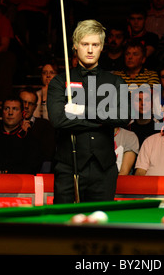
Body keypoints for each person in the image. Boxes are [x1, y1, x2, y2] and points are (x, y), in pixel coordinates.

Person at [47, 19, 130, 203]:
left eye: (95, 44)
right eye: (85, 44)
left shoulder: (116, 82)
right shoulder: (60, 82)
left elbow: (124, 116)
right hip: (68, 168)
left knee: (99, 227)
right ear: (75, 46)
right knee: (65, 226)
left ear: (102, 47)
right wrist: (102, 117)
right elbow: (58, 120)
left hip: (104, 170)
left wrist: (80, 110)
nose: (90, 50)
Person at [19, 87, 56, 173]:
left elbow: (47, 156)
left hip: (37, 174)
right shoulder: (11, 126)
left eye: (30, 104)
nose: (26, 106)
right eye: (24, 102)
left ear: (35, 107)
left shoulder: (45, 126)